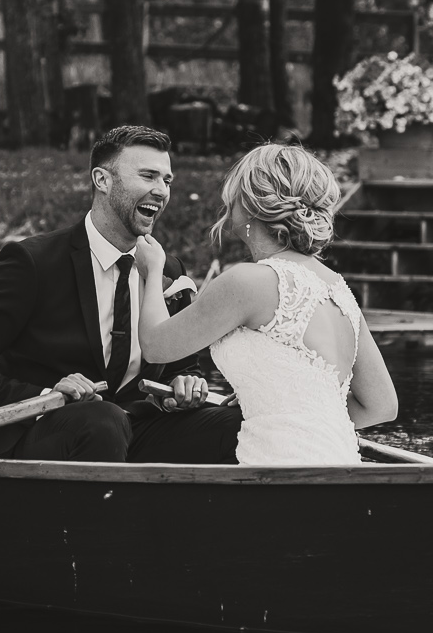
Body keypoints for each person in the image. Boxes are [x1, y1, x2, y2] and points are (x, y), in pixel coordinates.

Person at [0, 125, 243, 462]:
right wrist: (47, 394)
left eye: (167, 181)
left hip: (136, 430)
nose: (161, 191)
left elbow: (178, 367)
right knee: (103, 420)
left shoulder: (168, 270)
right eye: (148, 176)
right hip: (47, 433)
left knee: (237, 424)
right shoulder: (33, 262)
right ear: (102, 180)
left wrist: (185, 385)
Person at [133, 144, 396, 466]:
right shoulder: (336, 287)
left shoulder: (247, 281)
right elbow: (381, 406)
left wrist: (152, 270)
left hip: (276, 464)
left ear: (251, 204)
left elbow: (157, 346)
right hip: (340, 464)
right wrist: (276, 406)